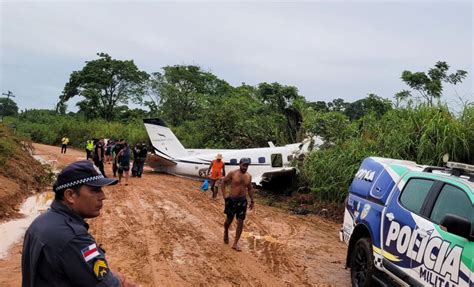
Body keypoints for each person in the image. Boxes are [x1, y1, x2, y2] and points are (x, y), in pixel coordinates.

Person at [21, 160, 138, 287]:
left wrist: (114, 277)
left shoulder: (41, 222)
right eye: (95, 190)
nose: (103, 196)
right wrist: (120, 283)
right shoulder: (74, 237)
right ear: (70, 195)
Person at [220, 158, 254, 252]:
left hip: (242, 201)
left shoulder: (248, 176)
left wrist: (252, 200)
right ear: (240, 164)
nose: (245, 167)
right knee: (228, 221)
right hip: (232, 200)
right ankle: (226, 231)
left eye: (247, 166)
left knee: (240, 221)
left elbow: (250, 188)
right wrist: (224, 195)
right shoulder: (233, 173)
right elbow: (223, 182)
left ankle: (235, 243)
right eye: (243, 165)